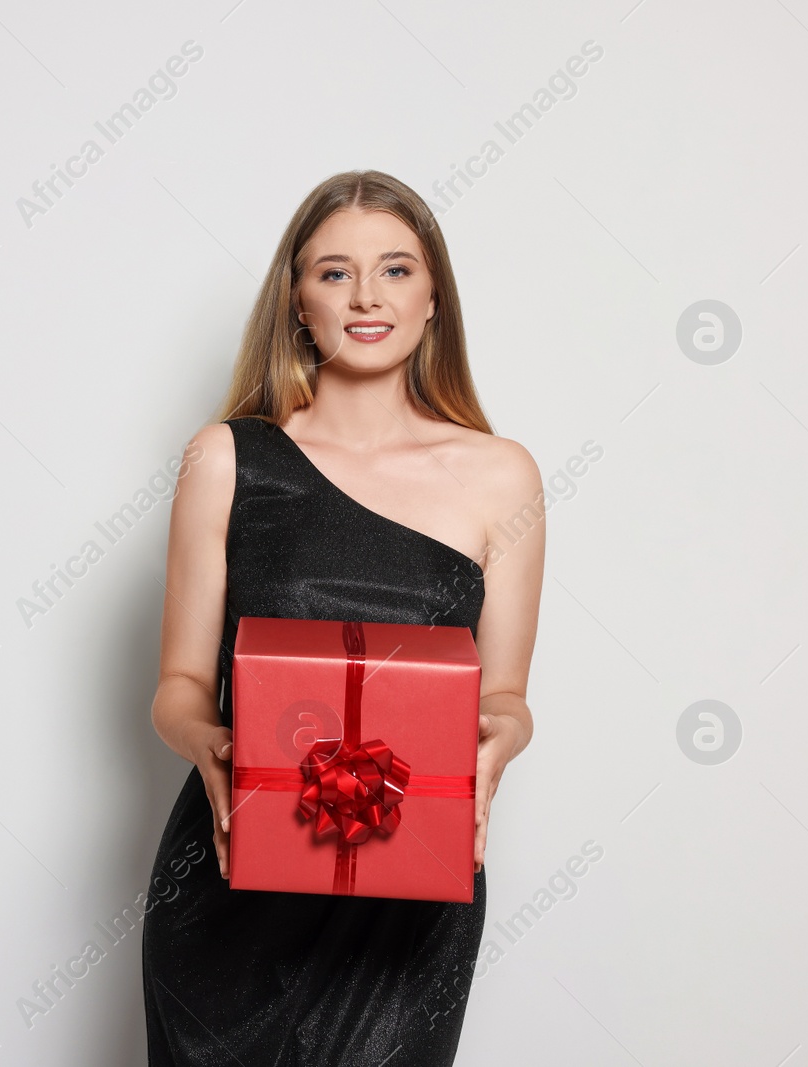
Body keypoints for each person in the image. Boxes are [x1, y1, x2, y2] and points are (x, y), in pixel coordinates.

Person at [141, 170, 543, 1065]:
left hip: (412, 899)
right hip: (232, 881)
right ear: (296, 301)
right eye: (334, 272)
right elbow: (176, 685)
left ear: (434, 295)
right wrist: (206, 741)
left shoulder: (501, 475)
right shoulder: (225, 458)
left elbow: (508, 692)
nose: (366, 296)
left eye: (396, 269)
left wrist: (497, 741)